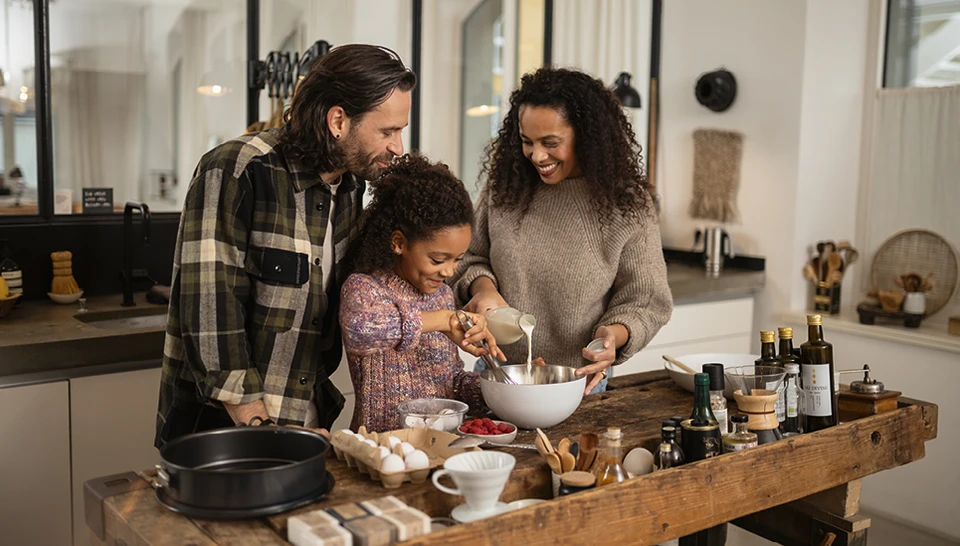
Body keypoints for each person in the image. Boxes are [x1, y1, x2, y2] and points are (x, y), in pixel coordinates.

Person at [155, 44, 416, 447]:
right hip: (225, 431)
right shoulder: (238, 169)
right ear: (338, 121)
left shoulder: (350, 188)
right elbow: (209, 307)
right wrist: (260, 428)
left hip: (302, 422)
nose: (398, 146)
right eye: (388, 131)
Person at [450, 67, 673, 395]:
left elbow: (647, 299)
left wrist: (613, 335)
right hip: (498, 373)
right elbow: (468, 256)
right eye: (527, 141)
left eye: (550, 143)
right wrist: (483, 289)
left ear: (586, 136)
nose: (537, 156)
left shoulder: (626, 205)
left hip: (578, 385)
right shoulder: (506, 188)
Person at [339, 155, 505, 432]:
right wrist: (443, 321)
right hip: (384, 448)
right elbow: (361, 331)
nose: (449, 272)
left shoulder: (441, 295)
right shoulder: (365, 289)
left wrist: (500, 386)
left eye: (457, 259)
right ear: (399, 243)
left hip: (444, 445)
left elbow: (450, 382)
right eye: (438, 260)